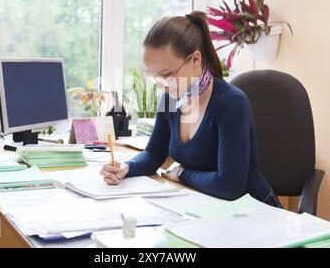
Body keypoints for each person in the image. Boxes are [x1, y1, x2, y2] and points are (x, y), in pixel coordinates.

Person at [100, 11, 283, 208]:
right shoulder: (171, 98)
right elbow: (154, 154)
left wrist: (182, 173)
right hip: (205, 207)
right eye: (153, 76)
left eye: (166, 74)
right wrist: (126, 168)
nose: (161, 85)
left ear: (195, 59)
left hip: (255, 215)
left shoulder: (231, 104)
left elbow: (230, 186)